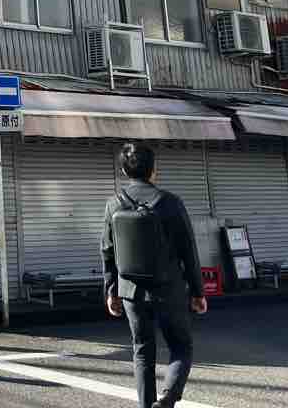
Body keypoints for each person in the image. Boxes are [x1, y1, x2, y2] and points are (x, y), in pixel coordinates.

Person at [102, 142, 208, 408]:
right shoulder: (170, 203)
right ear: (153, 170)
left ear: (124, 171)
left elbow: (107, 251)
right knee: (181, 346)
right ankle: (168, 398)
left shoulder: (113, 204)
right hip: (168, 289)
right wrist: (198, 292)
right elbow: (188, 250)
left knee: (142, 352)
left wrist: (111, 291)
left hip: (131, 292)